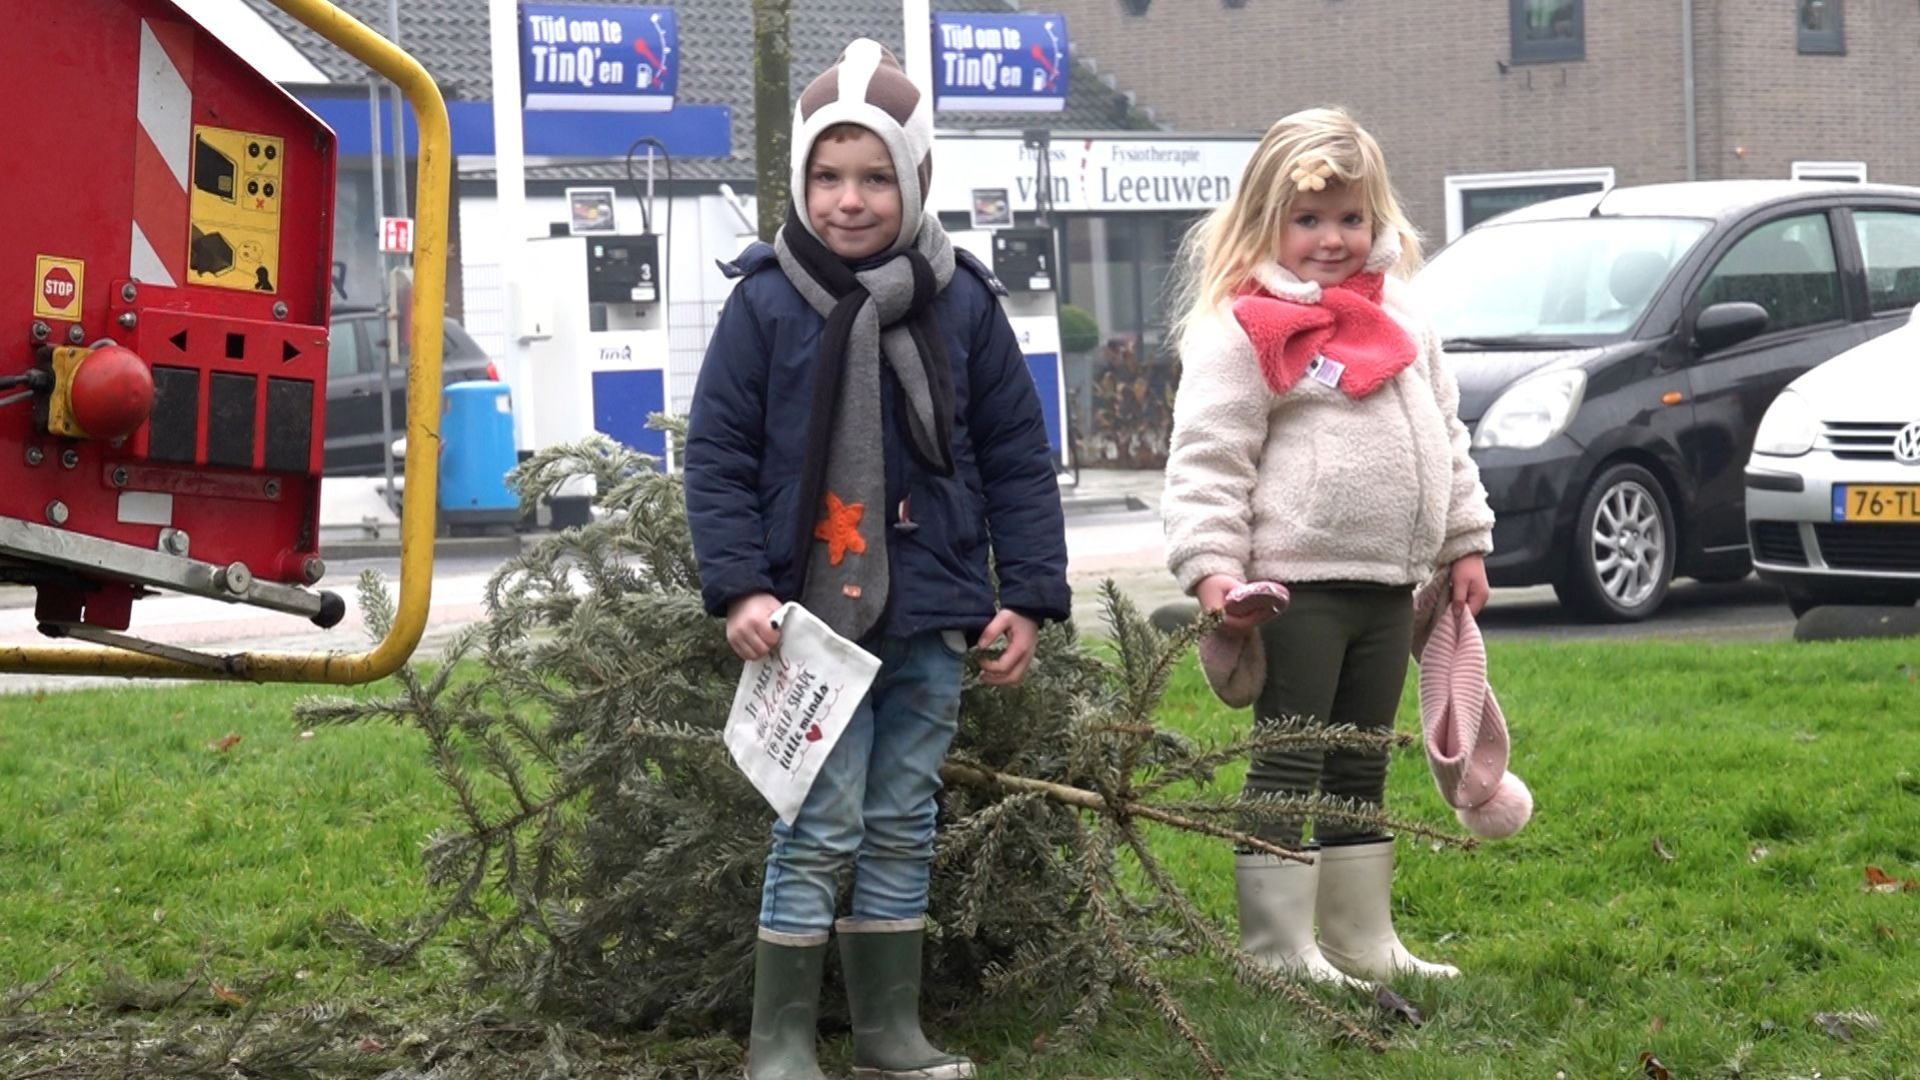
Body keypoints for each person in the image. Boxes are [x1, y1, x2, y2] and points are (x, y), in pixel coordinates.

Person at [684, 38, 1070, 1080]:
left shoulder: (964, 301)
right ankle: (781, 1044)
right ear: (801, 180)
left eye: (873, 177)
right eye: (826, 175)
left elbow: (1017, 459)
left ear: (915, 179)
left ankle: (891, 1035)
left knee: (903, 817)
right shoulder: (765, 302)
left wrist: (1027, 596)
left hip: (936, 608)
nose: (848, 201)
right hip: (809, 620)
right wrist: (740, 589)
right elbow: (717, 456)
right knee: (821, 822)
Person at [1161, 106, 1496, 985]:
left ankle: (1359, 937)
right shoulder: (1247, 329)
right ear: (1266, 222)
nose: (1332, 238)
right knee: (1291, 755)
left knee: (1360, 755)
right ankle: (1276, 948)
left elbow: (1447, 436)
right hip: (1294, 591)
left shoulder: (1405, 322)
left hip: (1390, 587)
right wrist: (1215, 576)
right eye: (1308, 219)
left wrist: (1464, 540)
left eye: (1352, 218)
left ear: (1379, 220)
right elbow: (1208, 459)